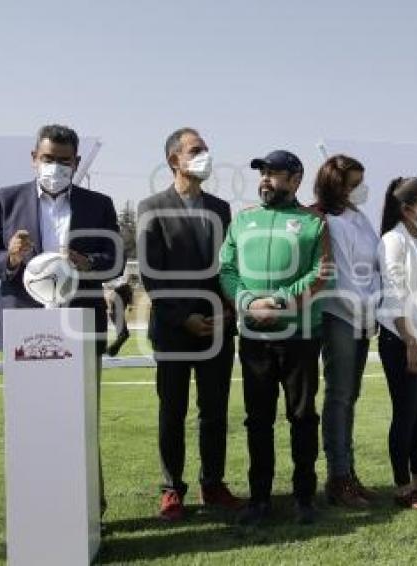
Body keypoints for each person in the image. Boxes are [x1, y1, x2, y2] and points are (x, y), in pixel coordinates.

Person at [0, 124, 120, 517]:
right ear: (34, 158)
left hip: (80, 327)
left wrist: (87, 262)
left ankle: (89, 510)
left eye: (64, 161)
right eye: (48, 158)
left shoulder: (98, 204)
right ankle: (34, 512)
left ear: (76, 163)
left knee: (82, 424)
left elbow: (116, 260)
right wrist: (12, 257)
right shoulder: (5, 200)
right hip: (24, 327)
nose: (55, 166)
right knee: (30, 426)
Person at [219, 150, 332, 526]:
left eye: (274, 173)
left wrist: (280, 302)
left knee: (302, 417)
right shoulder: (243, 220)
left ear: (296, 179)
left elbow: (322, 274)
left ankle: (304, 497)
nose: (266, 179)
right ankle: (260, 499)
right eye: (263, 173)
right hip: (253, 337)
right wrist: (249, 302)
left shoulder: (314, 222)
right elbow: (228, 270)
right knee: (258, 419)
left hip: (300, 336)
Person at [137, 127, 243, 521]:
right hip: (173, 329)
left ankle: (213, 485)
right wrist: (184, 318)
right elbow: (152, 274)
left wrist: (227, 311)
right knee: (173, 412)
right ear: (174, 161)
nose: (205, 156)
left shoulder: (220, 208)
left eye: (206, 149)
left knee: (215, 412)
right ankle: (172, 490)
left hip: (217, 327)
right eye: (196, 150)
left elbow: (226, 267)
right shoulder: (151, 207)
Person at [312, 155, 380, 508]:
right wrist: (365, 308)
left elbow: (375, 266)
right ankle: (338, 477)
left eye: (361, 182)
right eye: (354, 184)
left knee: (351, 396)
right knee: (338, 396)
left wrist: (376, 305)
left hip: (365, 316)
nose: (360, 190)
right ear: (335, 186)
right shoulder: (326, 221)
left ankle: (348, 472)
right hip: (340, 315)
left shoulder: (360, 218)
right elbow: (337, 275)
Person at [376, 177, 417, 510]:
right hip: (403, 338)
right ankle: (403, 488)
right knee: (405, 413)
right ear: (406, 209)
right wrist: (410, 344)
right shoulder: (393, 241)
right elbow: (395, 293)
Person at [104, 273, 133, 357]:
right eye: (134, 281)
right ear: (129, 280)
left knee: (123, 334)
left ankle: (111, 351)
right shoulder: (123, 287)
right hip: (115, 312)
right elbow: (111, 296)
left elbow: (130, 302)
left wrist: (130, 306)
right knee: (125, 334)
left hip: (119, 313)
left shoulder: (130, 290)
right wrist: (110, 308)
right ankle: (110, 351)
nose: (135, 284)